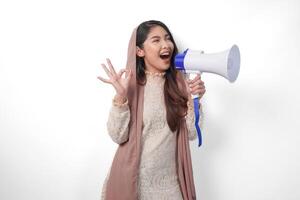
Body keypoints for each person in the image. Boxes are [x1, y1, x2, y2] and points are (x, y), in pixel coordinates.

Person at [97, 20, 206, 200]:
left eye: (167, 38)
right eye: (156, 40)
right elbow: (118, 136)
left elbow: (192, 133)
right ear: (140, 51)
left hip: (170, 186)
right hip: (133, 185)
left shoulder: (180, 85)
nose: (166, 45)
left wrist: (193, 100)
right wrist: (121, 98)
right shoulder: (131, 86)